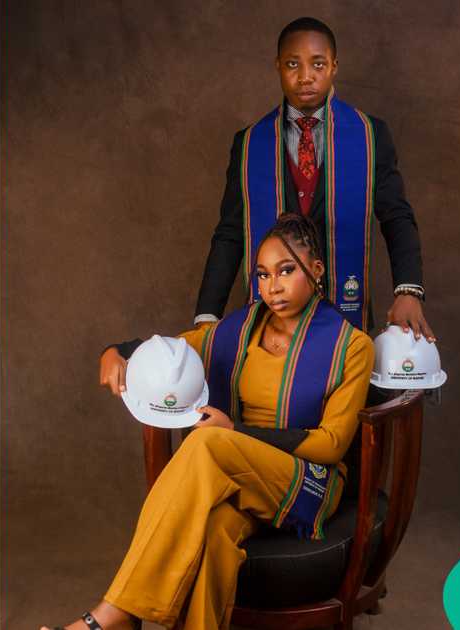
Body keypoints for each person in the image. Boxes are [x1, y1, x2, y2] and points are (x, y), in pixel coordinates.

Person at [46, 214, 373, 630]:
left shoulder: (352, 346)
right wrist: (117, 350)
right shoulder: (237, 331)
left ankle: (114, 616)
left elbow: (331, 445)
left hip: (307, 481)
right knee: (216, 533)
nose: (272, 287)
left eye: (286, 271)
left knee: (203, 443)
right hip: (236, 477)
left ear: (317, 270)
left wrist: (234, 432)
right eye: (262, 275)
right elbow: (171, 347)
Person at [195, 17, 435, 342]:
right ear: (278, 66)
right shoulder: (250, 142)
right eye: (293, 64)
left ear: (334, 66)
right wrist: (208, 314)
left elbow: (396, 217)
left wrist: (409, 289)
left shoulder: (370, 135)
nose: (305, 77)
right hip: (273, 322)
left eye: (317, 64)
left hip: (344, 316)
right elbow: (230, 233)